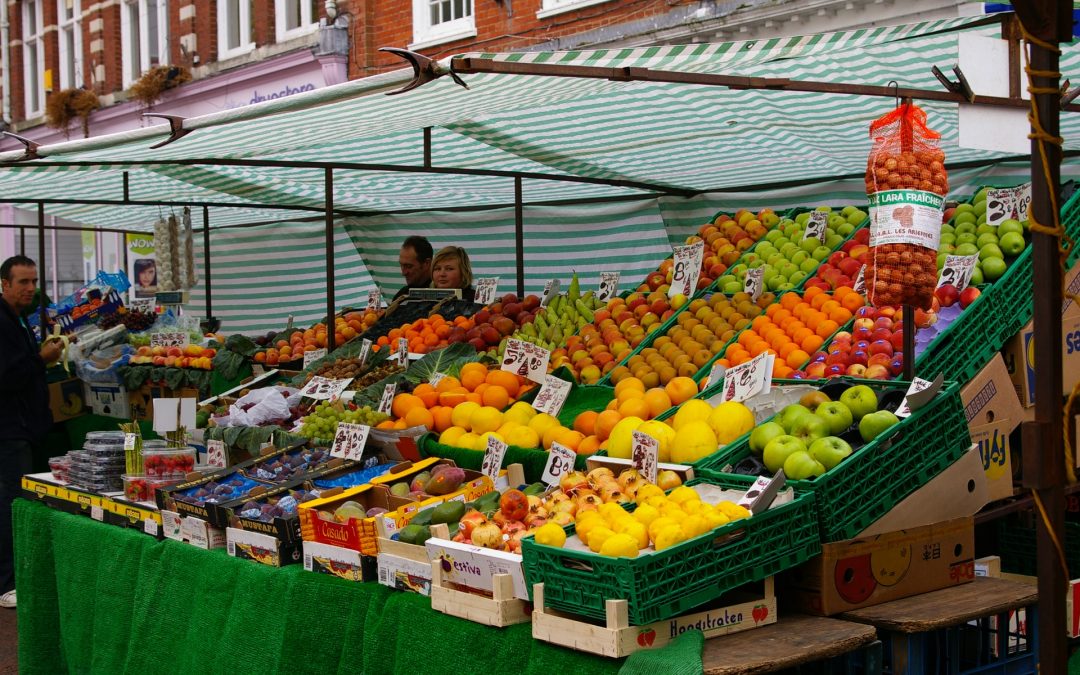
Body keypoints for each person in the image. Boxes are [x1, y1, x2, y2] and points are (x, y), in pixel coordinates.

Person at [0, 256, 61, 610]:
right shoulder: (2, 322)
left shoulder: (18, 319)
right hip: (9, 430)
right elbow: (7, 376)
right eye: (22, 282)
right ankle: (7, 582)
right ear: (4, 284)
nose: (30, 288)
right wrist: (42, 358)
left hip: (23, 428)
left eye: (33, 281)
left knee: (17, 500)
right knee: (10, 503)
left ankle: (15, 574)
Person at [393, 236, 433, 301]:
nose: (403, 273)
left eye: (409, 266)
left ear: (426, 263)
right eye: (401, 265)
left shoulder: (441, 294)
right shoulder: (401, 295)